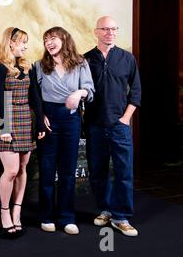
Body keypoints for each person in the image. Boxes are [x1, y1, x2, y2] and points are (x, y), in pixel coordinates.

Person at [84, 16, 141, 237]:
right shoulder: (86, 59)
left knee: (123, 171)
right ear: (96, 31)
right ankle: (106, 209)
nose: (110, 32)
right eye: (105, 29)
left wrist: (126, 118)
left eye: (114, 29)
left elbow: (136, 91)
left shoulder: (127, 58)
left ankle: (121, 217)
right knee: (97, 171)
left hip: (120, 125)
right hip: (95, 125)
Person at [34, 26, 95, 235]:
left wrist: (79, 92)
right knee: (47, 168)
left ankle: (67, 217)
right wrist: (40, 116)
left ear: (64, 39)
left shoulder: (80, 63)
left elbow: (90, 89)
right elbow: (34, 95)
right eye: (45, 40)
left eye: (52, 38)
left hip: (71, 120)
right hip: (49, 118)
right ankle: (46, 216)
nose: (49, 43)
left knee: (68, 171)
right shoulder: (40, 65)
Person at [0, 27, 46, 237]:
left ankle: (17, 211)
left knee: (23, 169)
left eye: (26, 42)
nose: (25, 46)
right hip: (7, 121)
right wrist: (3, 128)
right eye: (22, 42)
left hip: (25, 121)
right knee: (11, 171)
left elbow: (36, 98)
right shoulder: (0, 68)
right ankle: (4, 212)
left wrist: (39, 123)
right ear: (10, 43)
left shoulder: (27, 67)